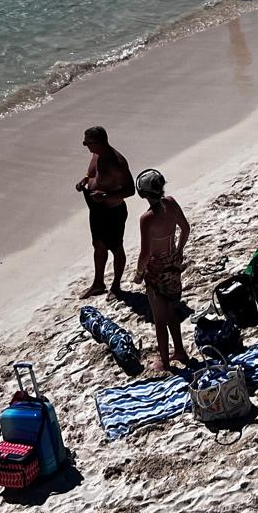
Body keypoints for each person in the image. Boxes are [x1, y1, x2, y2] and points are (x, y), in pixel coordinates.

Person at [134, 168, 192, 370]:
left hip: (156, 271)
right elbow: (185, 228)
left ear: (143, 194)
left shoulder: (147, 218)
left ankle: (165, 362)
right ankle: (180, 350)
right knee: (171, 311)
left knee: (159, 319)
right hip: (173, 266)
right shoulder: (172, 203)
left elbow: (145, 253)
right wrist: (179, 250)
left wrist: (139, 274)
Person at [75, 126, 134, 295]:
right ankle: (98, 283)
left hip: (113, 212)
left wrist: (107, 195)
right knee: (98, 245)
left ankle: (116, 286)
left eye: (87, 142)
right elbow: (92, 173)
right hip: (97, 209)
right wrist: (85, 180)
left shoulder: (116, 162)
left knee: (117, 248)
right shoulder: (96, 154)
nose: (84, 145)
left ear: (99, 142)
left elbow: (130, 190)